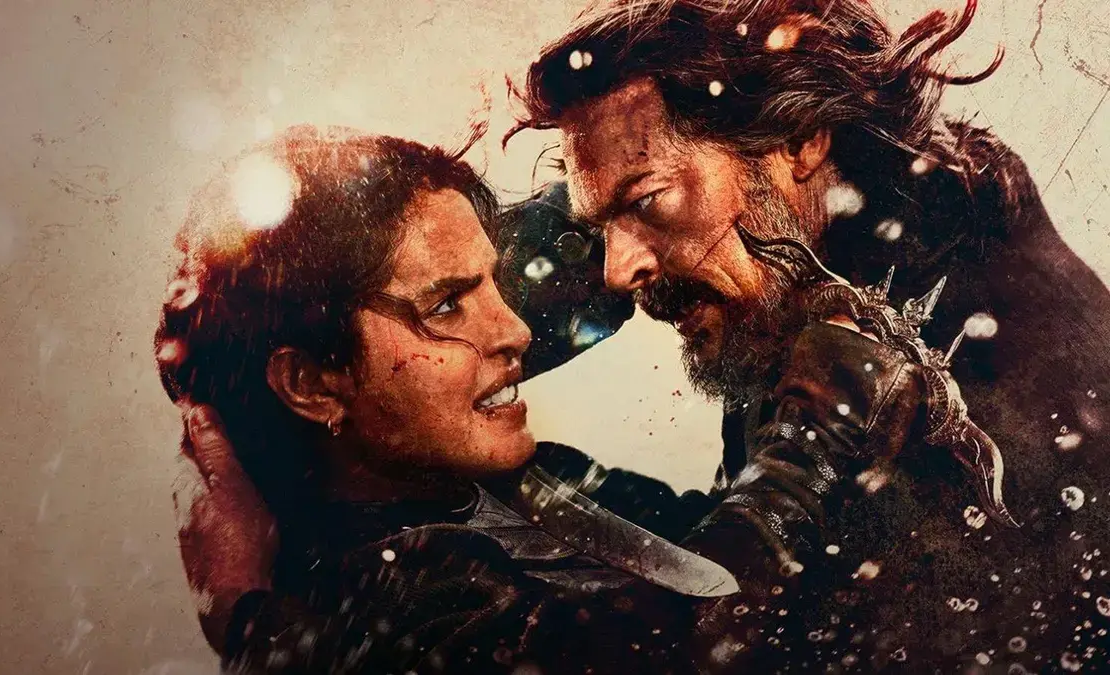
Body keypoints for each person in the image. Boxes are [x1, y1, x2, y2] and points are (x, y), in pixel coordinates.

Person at [156, 125, 942, 673]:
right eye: (446, 304)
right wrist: (829, 416)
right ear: (310, 382)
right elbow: (689, 644)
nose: (515, 330)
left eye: (492, 284)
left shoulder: (510, 484)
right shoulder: (376, 600)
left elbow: (706, 548)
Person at [503, 0, 1110, 669]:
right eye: (600, 228)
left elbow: (722, 637)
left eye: (646, 200)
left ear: (797, 141)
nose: (617, 271)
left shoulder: (967, 355)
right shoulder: (801, 275)